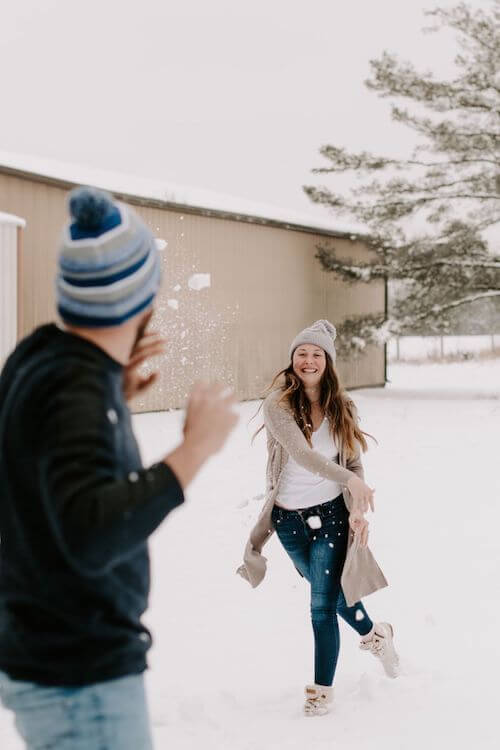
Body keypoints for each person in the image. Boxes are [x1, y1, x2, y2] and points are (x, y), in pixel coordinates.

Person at [0, 187, 238, 750]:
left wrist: (115, 386)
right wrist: (193, 451)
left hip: (46, 652)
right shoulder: (79, 391)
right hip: (81, 676)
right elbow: (91, 532)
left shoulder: (41, 356)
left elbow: (43, 450)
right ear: (143, 297)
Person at [237, 320, 399, 717]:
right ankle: (376, 635)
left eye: (316, 354)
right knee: (334, 595)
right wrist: (348, 480)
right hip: (288, 519)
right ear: (292, 360)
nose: (308, 360)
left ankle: (321, 692)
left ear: (328, 362)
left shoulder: (343, 406)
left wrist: (357, 510)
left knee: (321, 604)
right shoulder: (277, 403)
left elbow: (354, 462)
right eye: (301, 353)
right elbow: (302, 455)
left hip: (332, 515)